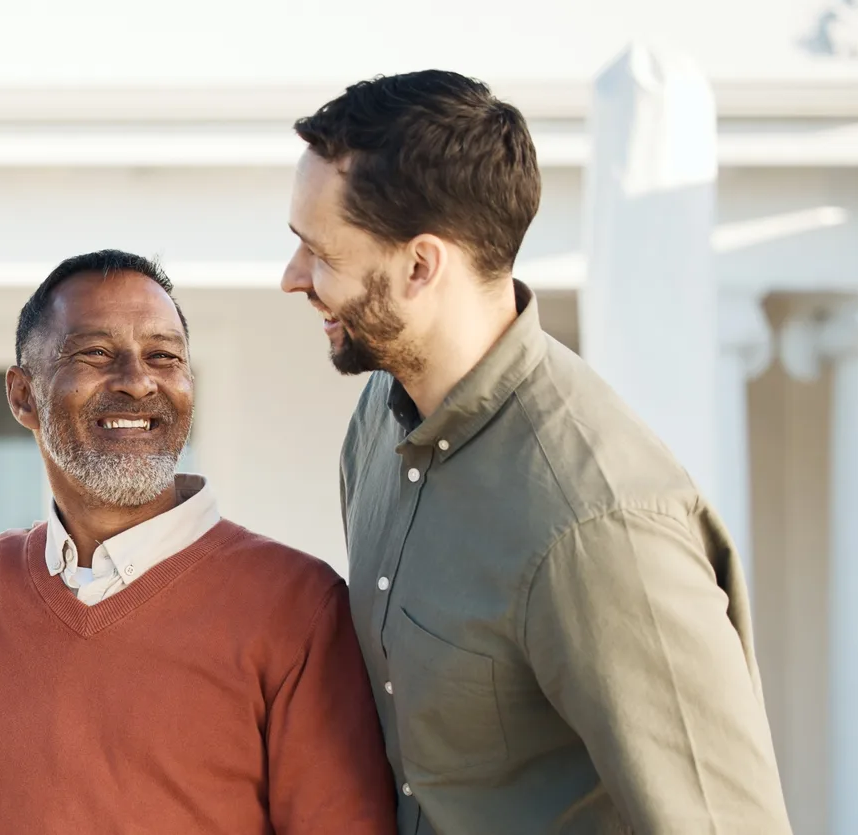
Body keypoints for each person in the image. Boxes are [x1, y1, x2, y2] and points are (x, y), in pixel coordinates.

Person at [282, 70, 791, 834]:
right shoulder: (376, 425)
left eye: (319, 253)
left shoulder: (597, 521)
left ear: (421, 265)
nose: (293, 279)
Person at [0, 250, 394, 834]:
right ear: (23, 396)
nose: (138, 381)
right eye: (95, 353)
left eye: (163, 357)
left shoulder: (298, 604)